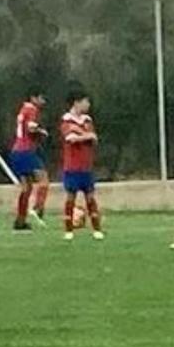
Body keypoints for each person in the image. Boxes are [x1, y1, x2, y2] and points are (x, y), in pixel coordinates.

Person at [60, 88, 103, 242]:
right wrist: (85, 136)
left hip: (86, 166)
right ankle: (68, 230)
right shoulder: (66, 121)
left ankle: (97, 229)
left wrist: (81, 135)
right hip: (72, 166)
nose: (88, 104)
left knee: (90, 197)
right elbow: (70, 138)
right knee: (70, 198)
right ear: (77, 103)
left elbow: (94, 137)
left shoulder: (87, 120)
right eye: (86, 101)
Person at [9, 87, 49, 231]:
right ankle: (38, 209)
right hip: (26, 151)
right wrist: (41, 131)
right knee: (43, 180)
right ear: (33, 98)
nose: (43, 102)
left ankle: (20, 221)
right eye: (41, 98)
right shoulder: (31, 109)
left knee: (26, 188)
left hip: (16, 151)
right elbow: (31, 128)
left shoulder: (22, 109)